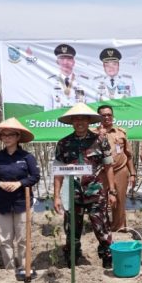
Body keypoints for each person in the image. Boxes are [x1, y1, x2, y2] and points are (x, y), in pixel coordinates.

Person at [53, 103, 116, 269]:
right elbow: (58, 172)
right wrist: (57, 196)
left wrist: (112, 191)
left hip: (96, 193)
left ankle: (107, 258)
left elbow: (109, 167)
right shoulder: (63, 144)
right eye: (76, 119)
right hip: (72, 195)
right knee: (72, 231)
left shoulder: (100, 141)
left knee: (101, 228)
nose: (79, 122)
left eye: (83, 119)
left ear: (89, 121)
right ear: (72, 122)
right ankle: (73, 258)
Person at [0, 118, 41, 277]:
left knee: (23, 238)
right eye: (4, 135)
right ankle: (9, 269)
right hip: (1, 204)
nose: (7, 138)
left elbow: (35, 176)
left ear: (18, 137)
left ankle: (24, 267)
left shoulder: (27, 157)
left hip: (22, 202)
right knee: (5, 239)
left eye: (10, 135)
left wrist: (20, 183)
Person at [94, 104, 136, 231]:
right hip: (101, 172)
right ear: (98, 117)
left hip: (120, 170)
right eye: (103, 115)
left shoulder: (121, 133)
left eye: (109, 115)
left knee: (119, 200)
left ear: (113, 116)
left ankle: (119, 227)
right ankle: (102, 226)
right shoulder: (93, 134)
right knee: (100, 199)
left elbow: (128, 155)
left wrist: (133, 173)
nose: (107, 117)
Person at [48, 43, 91, 110]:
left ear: (74, 62)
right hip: (57, 118)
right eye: (62, 58)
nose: (65, 62)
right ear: (57, 62)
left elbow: (89, 106)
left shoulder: (84, 81)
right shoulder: (50, 81)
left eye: (69, 59)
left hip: (78, 118)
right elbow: (48, 109)